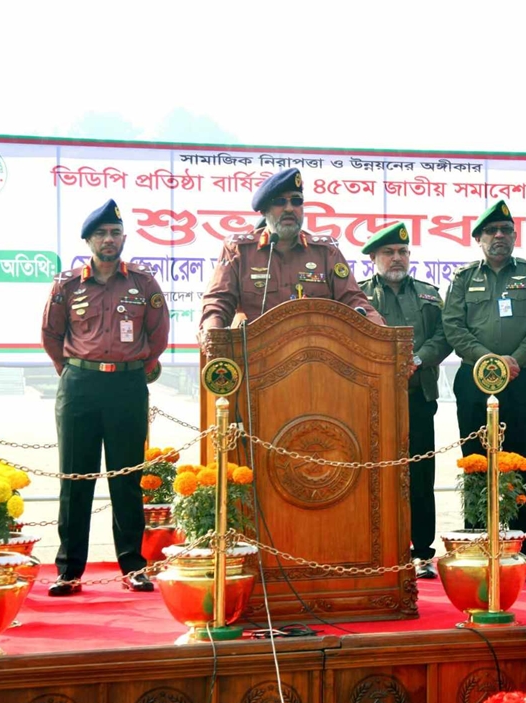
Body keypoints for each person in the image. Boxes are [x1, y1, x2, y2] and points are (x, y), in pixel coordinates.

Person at [40, 199, 170, 595]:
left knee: (126, 480)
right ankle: (69, 571)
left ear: (123, 238)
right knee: (75, 481)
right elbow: (51, 334)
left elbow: (158, 335)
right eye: (101, 233)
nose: (109, 239)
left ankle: (133, 567)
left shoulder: (143, 284)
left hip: (128, 388)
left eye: (115, 233)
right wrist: (76, 373)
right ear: (89, 240)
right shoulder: (67, 284)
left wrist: (134, 372)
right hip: (80, 387)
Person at [443, 200, 526, 583]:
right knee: (475, 460)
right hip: (474, 380)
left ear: (513, 236)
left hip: (521, 379)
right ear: (478, 239)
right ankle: (478, 542)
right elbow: (453, 327)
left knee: (523, 460)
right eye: (491, 231)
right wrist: (489, 360)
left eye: (505, 230)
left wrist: (514, 361)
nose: (499, 237)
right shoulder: (462, 280)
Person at [359, 222, 452, 580]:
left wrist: (418, 359)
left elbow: (446, 334)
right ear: (373, 258)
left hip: (418, 397)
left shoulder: (428, 294)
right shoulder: (359, 296)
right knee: (375, 476)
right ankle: (377, 549)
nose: (396, 258)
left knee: (419, 475)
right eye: (388, 253)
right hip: (371, 402)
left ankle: (422, 552)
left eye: (402, 252)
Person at [200, 168, 382, 338]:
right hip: (255, 358)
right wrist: (213, 333)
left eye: (296, 201)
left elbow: (353, 300)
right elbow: (218, 301)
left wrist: (383, 333)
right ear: (264, 211)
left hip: (316, 357)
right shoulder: (239, 250)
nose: (289, 208)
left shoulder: (326, 252)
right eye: (280, 202)